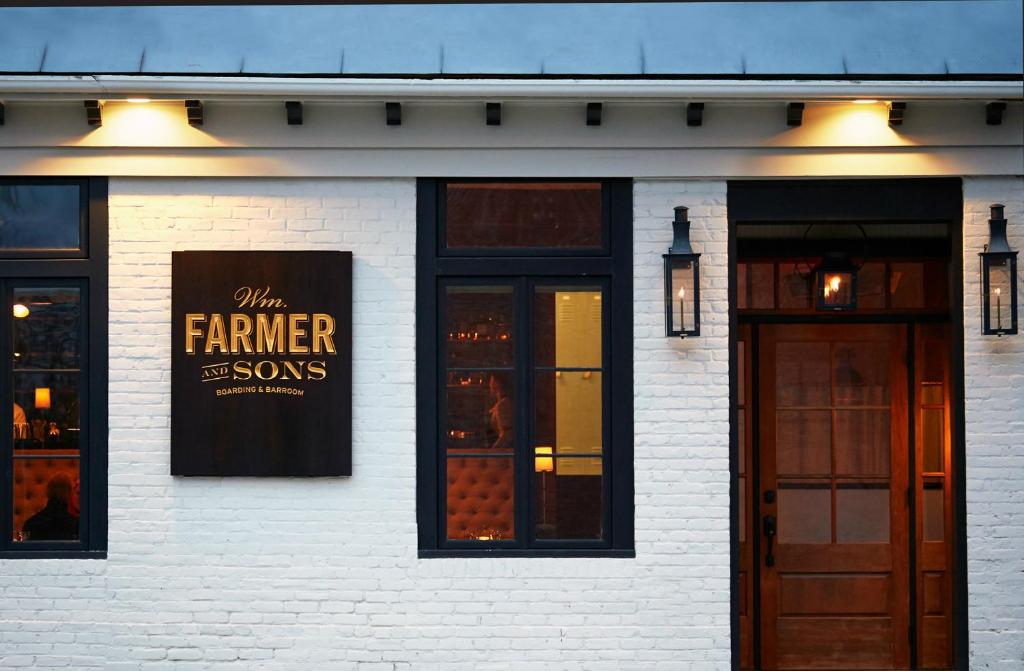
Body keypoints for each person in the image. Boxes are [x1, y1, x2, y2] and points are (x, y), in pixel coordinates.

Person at [21, 473, 79, 541]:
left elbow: (23, 549)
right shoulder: (75, 525)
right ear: (69, 493)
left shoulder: (30, 523)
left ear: (48, 491)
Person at [488, 374, 513, 451]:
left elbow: (507, 433)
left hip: (505, 451)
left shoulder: (503, 405)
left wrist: (494, 451)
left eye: (491, 381)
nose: (489, 384)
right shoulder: (501, 403)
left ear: (497, 383)